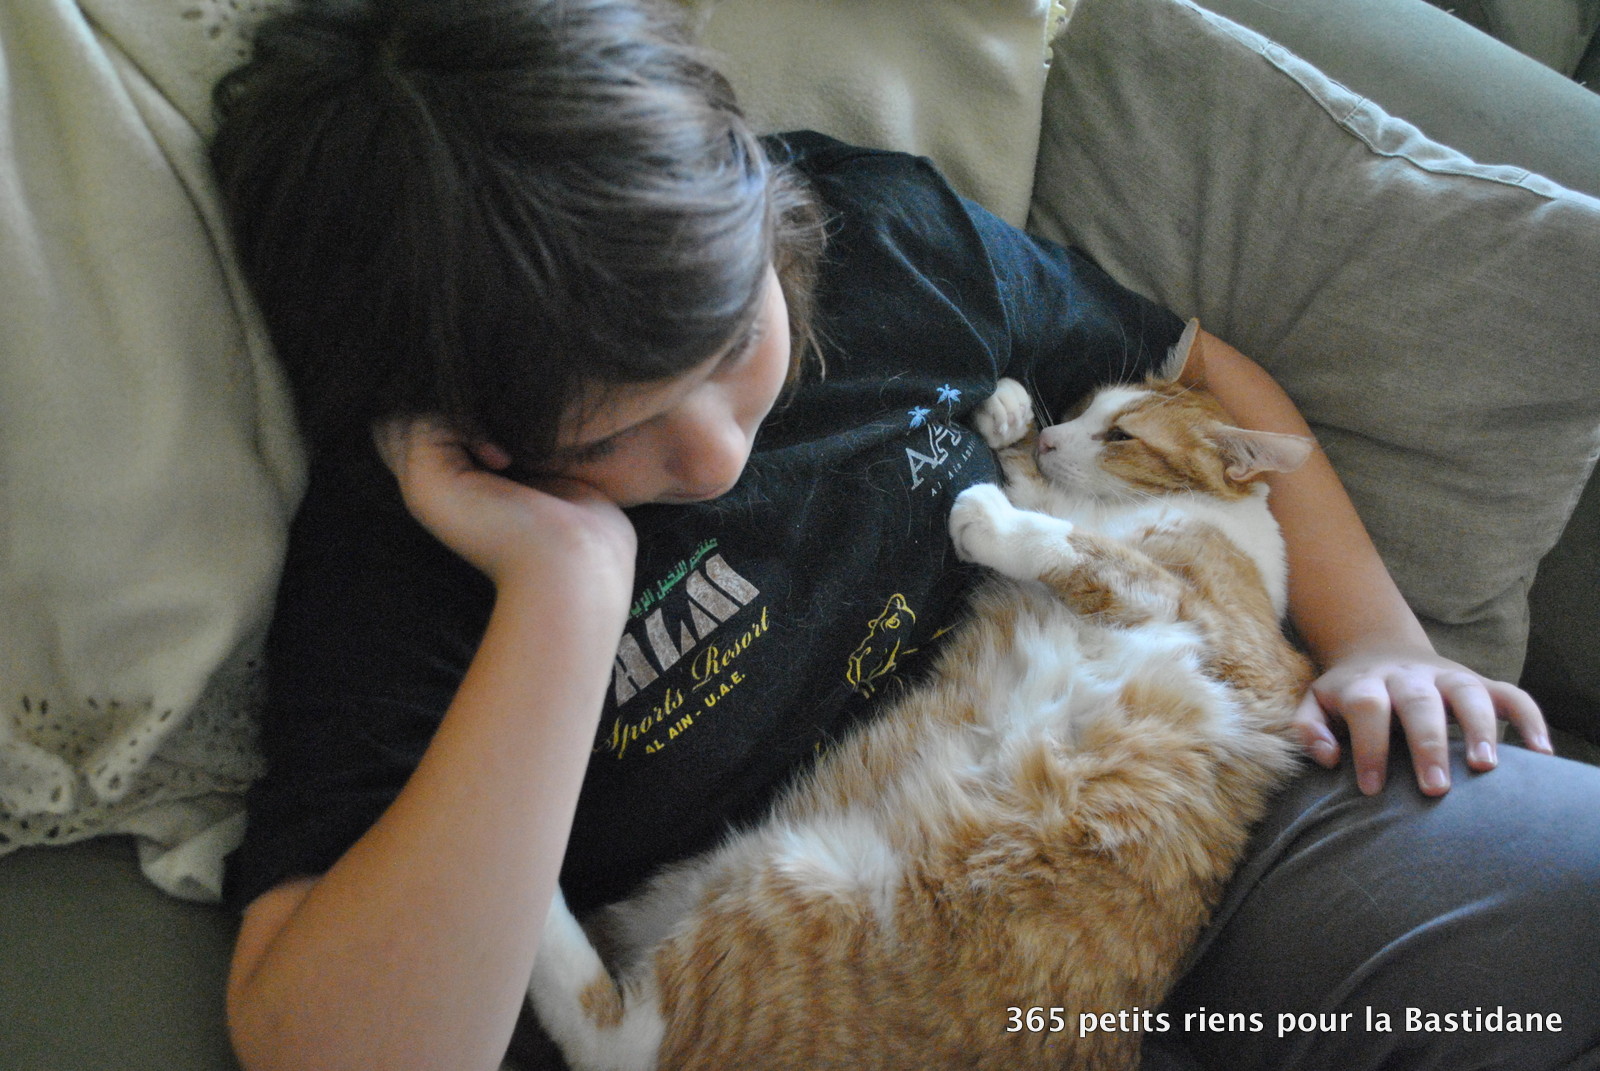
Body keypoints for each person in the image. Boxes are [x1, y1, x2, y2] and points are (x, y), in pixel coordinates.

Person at [208, 2, 1600, 1069]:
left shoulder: (885, 234)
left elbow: (1195, 369)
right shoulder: (399, 552)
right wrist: (566, 590)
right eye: (603, 444)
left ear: (764, 207)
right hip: (844, 993)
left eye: (734, 344)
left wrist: (1379, 640)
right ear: (452, 427)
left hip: (1178, 807)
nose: (712, 455)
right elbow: (334, 1045)